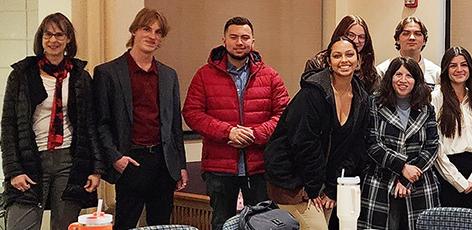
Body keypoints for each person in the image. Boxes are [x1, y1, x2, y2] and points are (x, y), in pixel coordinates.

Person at [182, 16, 290, 230]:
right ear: (224, 40)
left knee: (263, 225)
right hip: (219, 169)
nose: (239, 42)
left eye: (245, 37)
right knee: (222, 225)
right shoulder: (204, 75)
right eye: (234, 37)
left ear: (253, 41)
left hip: (260, 167)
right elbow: (191, 113)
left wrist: (255, 133)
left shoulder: (270, 76)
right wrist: (228, 132)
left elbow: (284, 115)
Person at [1, 12, 103, 230]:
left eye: (59, 35)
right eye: (48, 35)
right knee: (20, 225)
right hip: (30, 160)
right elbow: (8, 125)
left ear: (68, 40)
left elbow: (89, 126)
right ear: (41, 38)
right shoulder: (22, 74)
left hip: (69, 160)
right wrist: (13, 171)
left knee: (64, 226)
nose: (53, 40)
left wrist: (96, 169)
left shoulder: (80, 76)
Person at [93, 8, 188, 230]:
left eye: (158, 32)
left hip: (163, 163)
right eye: (146, 29)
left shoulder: (168, 75)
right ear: (134, 31)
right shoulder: (107, 73)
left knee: (161, 226)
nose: (152, 36)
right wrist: (115, 157)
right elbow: (101, 123)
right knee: (125, 224)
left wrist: (180, 165)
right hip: (130, 160)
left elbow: (174, 125)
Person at [265, 37, 370, 230]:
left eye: (349, 54)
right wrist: (314, 189)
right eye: (337, 56)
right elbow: (304, 144)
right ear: (329, 62)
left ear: (358, 60)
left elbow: (354, 149)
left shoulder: (362, 98)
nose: (344, 60)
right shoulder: (312, 94)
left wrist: (331, 189)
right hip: (293, 181)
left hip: (324, 184)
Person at [359, 57, 440, 230]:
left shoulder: (426, 107)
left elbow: (432, 146)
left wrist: (406, 178)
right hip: (380, 182)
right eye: (398, 74)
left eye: (409, 76)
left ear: (417, 80)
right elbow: (372, 144)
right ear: (390, 77)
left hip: (419, 183)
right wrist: (402, 167)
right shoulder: (374, 103)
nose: (403, 80)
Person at [431, 47, 472, 211]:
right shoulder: (436, 99)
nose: (459, 70)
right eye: (453, 65)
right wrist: (458, 181)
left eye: (464, 65)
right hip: (447, 175)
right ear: (445, 69)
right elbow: (434, 145)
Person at [304, 15, 380, 91]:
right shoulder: (317, 63)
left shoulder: (368, 65)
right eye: (351, 35)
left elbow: (375, 97)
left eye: (361, 37)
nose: (356, 41)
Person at [376, 16, 440, 88]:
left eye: (417, 34)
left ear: (424, 41)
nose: (412, 38)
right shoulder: (382, 71)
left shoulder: (436, 73)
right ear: (397, 39)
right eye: (406, 33)